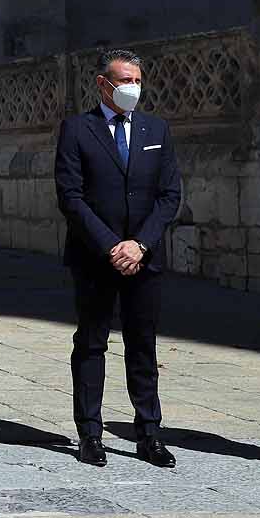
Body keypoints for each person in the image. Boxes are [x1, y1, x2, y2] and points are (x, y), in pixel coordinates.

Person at [53, 49, 182, 468]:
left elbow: (169, 196)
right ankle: (90, 434)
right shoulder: (77, 129)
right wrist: (112, 245)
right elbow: (71, 197)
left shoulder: (156, 128)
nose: (132, 88)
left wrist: (139, 245)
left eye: (136, 81)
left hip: (143, 258)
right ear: (102, 84)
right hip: (95, 257)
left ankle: (149, 434)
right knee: (91, 343)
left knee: (142, 345)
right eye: (123, 81)